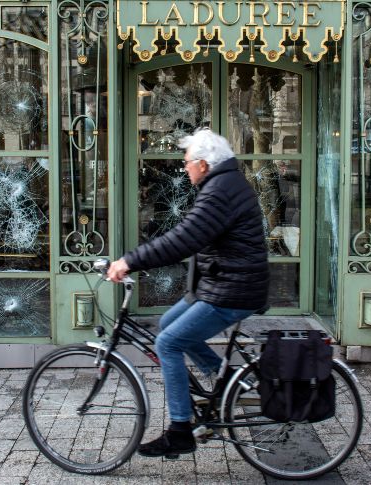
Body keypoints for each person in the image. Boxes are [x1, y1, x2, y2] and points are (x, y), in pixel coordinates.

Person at [107, 127, 269, 458]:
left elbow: (184, 239)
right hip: (221, 284)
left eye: (187, 162)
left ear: (204, 165)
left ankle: (180, 430)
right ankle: (222, 382)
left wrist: (128, 261)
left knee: (168, 342)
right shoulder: (222, 184)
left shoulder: (220, 191)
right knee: (168, 325)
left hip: (232, 290)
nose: (184, 168)